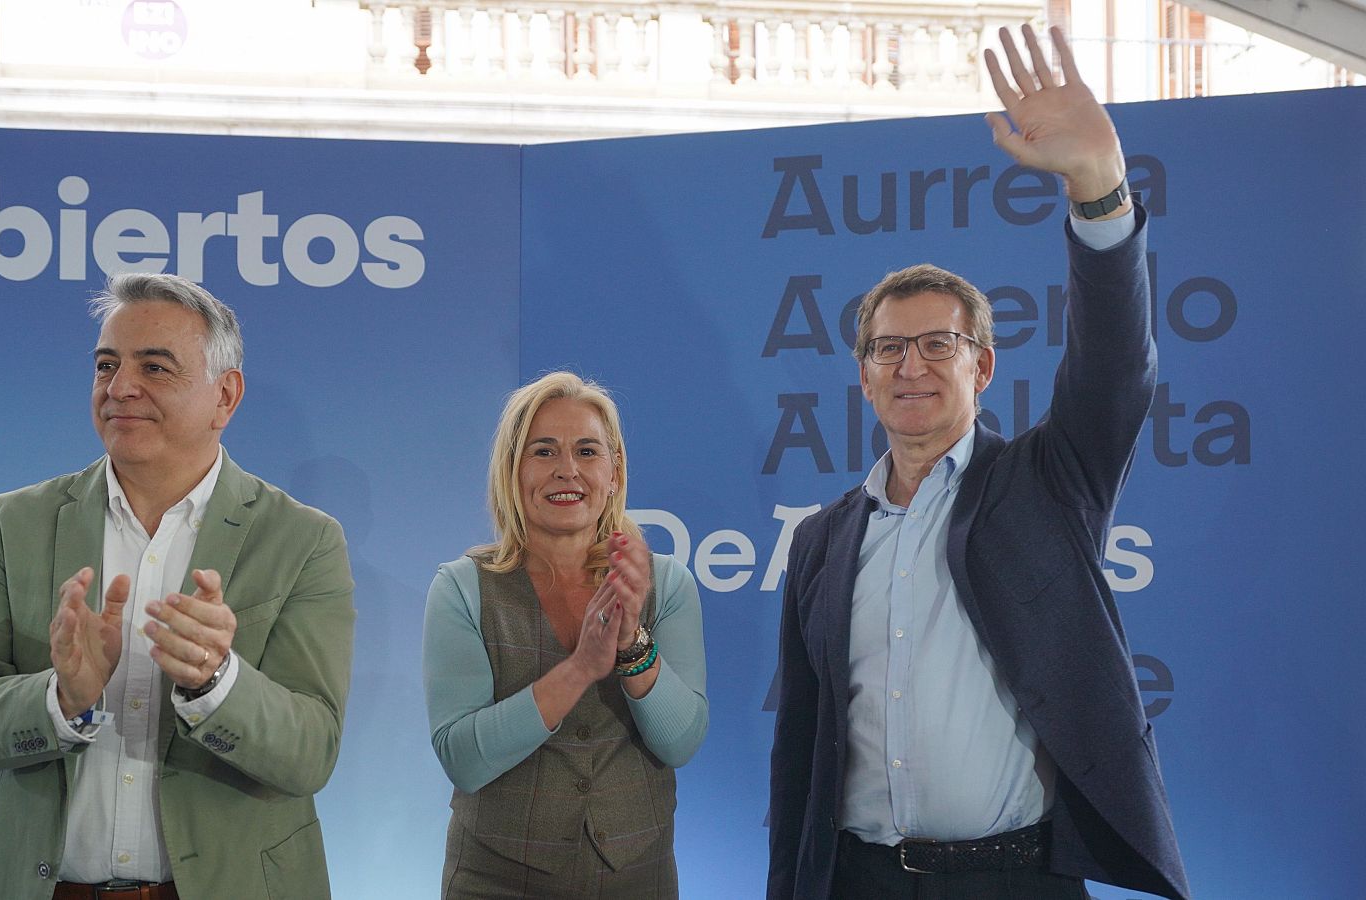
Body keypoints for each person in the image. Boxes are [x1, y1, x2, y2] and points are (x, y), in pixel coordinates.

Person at [767, 25, 1190, 900]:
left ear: (983, 366)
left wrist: (1099, 190)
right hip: (857, 880)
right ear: (863, 376)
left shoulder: (1047, 483)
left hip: (1012, 881)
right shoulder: (819, 541)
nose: (910, 366)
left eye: (937, 345)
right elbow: (800, 753)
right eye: (889, 350)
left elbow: (1116, 368)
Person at [0, 273, 355, 900]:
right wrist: (59, 699)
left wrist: (215, 682)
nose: (120, 389)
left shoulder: (303, 539)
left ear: (225, 396)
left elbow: (312, 753)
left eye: (155, 367)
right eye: (106, 366)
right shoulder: (11, 525)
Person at [422, 372, 709, 898]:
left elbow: (681, 741)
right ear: (514, 470)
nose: (567, 471)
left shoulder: (666, 583)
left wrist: (632, 649)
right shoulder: (461, 589)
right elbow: (462, 758)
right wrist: (576, 671)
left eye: (587, 451)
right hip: (496, 877)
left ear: (615, 471)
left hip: (637, 875)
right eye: (544, 451)